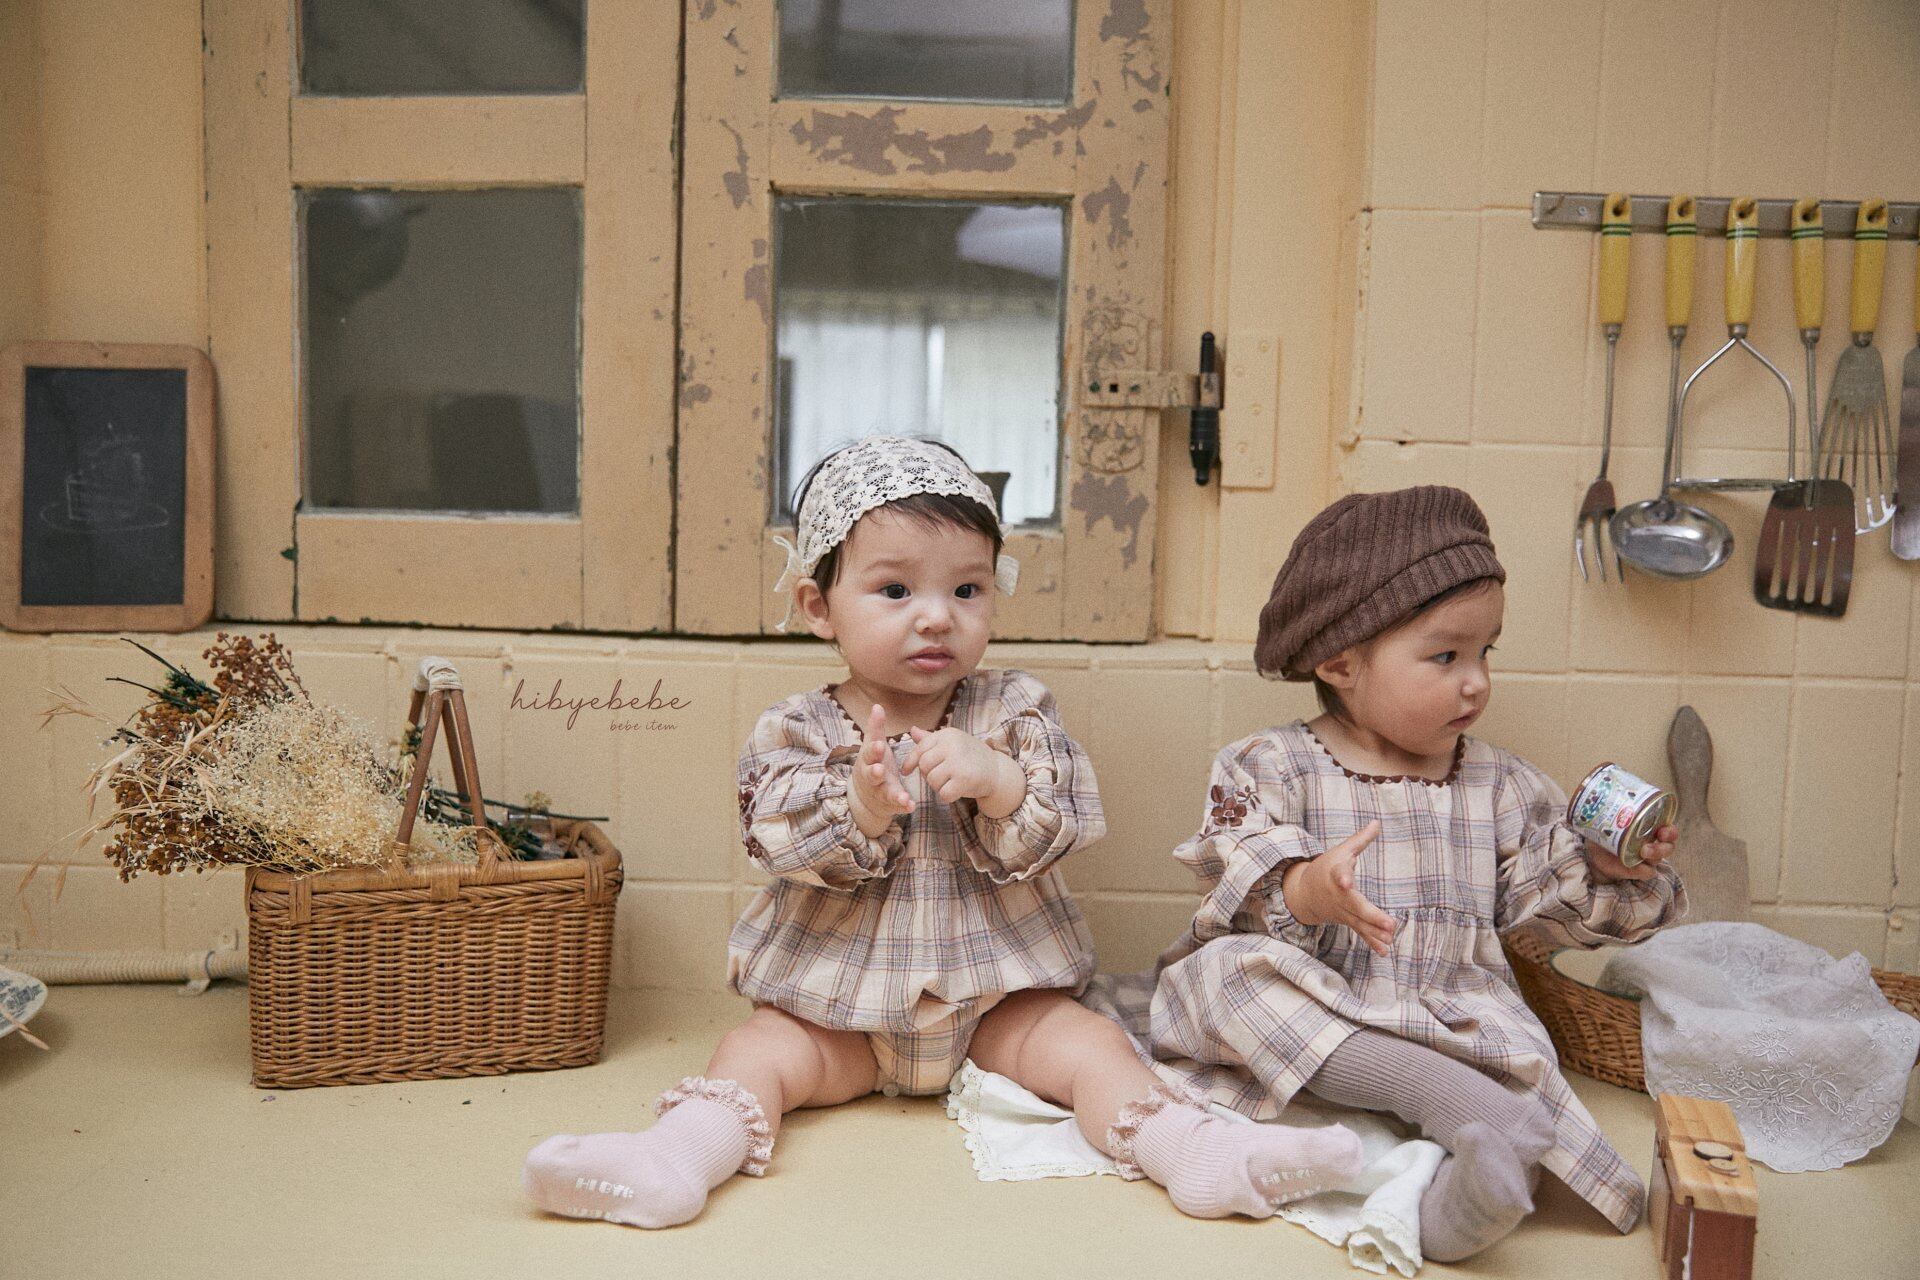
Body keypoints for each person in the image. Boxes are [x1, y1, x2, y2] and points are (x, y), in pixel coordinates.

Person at [522, 435, 1361, 1228]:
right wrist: (859, 806)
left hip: (999, 1007)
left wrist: (998, 782)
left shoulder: (1013, 709)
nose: (936, 618)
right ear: (818, 606)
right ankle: (674, 1160)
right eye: (896, 591)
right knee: (756, 1052)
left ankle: (1199, 1155)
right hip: (839, 1015)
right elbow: (771, 834)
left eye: (967, 591)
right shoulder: (797, 727)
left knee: (1094, 1046)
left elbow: (1065, 817)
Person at [1146, 484, 1686, 1260]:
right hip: (1320, 1004)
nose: (1477, 681)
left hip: (1451, 1012)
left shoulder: (1500, 784)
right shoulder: (1271, 763)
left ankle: (1453, 1214)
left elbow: (1537, 908)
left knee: (1522, 1064)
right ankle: (1435, 1094)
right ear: (1341, 662)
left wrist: (1598, 865)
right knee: (1220, 974)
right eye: (1446, 656)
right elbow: (1236, 874)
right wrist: (1309, 888)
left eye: (1486, 651)